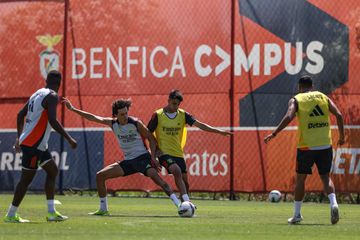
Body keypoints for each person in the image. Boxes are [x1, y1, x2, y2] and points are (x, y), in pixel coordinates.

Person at [62, 98, 181, 215]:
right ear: (115, 115)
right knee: (100, 176)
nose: (125, 116)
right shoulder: (112, 123)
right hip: (129, 162)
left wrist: (153, 157)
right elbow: (93, 117)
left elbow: (152, 139)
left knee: (159, 181)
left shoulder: (135, 123)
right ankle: (103, 209)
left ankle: (179, 205)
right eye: (122, 114)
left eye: (126, 113)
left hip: (143, 159)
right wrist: (72, 109)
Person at [264, 75, 345, 225]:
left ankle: (297, 214)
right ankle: (334, 204)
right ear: (312, 86)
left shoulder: (297, 99)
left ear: (299, 87)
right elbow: (339, 115)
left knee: (301, 179)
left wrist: (274, 133)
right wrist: (341, 136)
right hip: (325, 144)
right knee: (326, 177)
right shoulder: (322, 97)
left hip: (306, 147)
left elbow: (289, 116)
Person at [4, 70, 78, 223]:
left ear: (46, 80)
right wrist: (69, 138)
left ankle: (51, 213)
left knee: (52, 171)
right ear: (60, 83)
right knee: (26, 181)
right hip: (33, 144)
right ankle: (11, 214)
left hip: (37, 144)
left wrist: (19, 137)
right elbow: (52, 120)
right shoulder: (52, 96)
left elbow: (20, 114)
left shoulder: (37, 93)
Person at [147, 89, 232, 203]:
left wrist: (219, 131)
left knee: (185, 183)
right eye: (173, 103)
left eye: (178, 104)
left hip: (177, 152)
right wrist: (154, 153)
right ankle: (188, 203)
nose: (175, 106)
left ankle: (184, 205)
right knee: (176, 170)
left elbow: (200, 125)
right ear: (168, 100)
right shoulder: (158, 115)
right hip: (163, 153)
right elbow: (148, 133)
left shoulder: (183, 115)